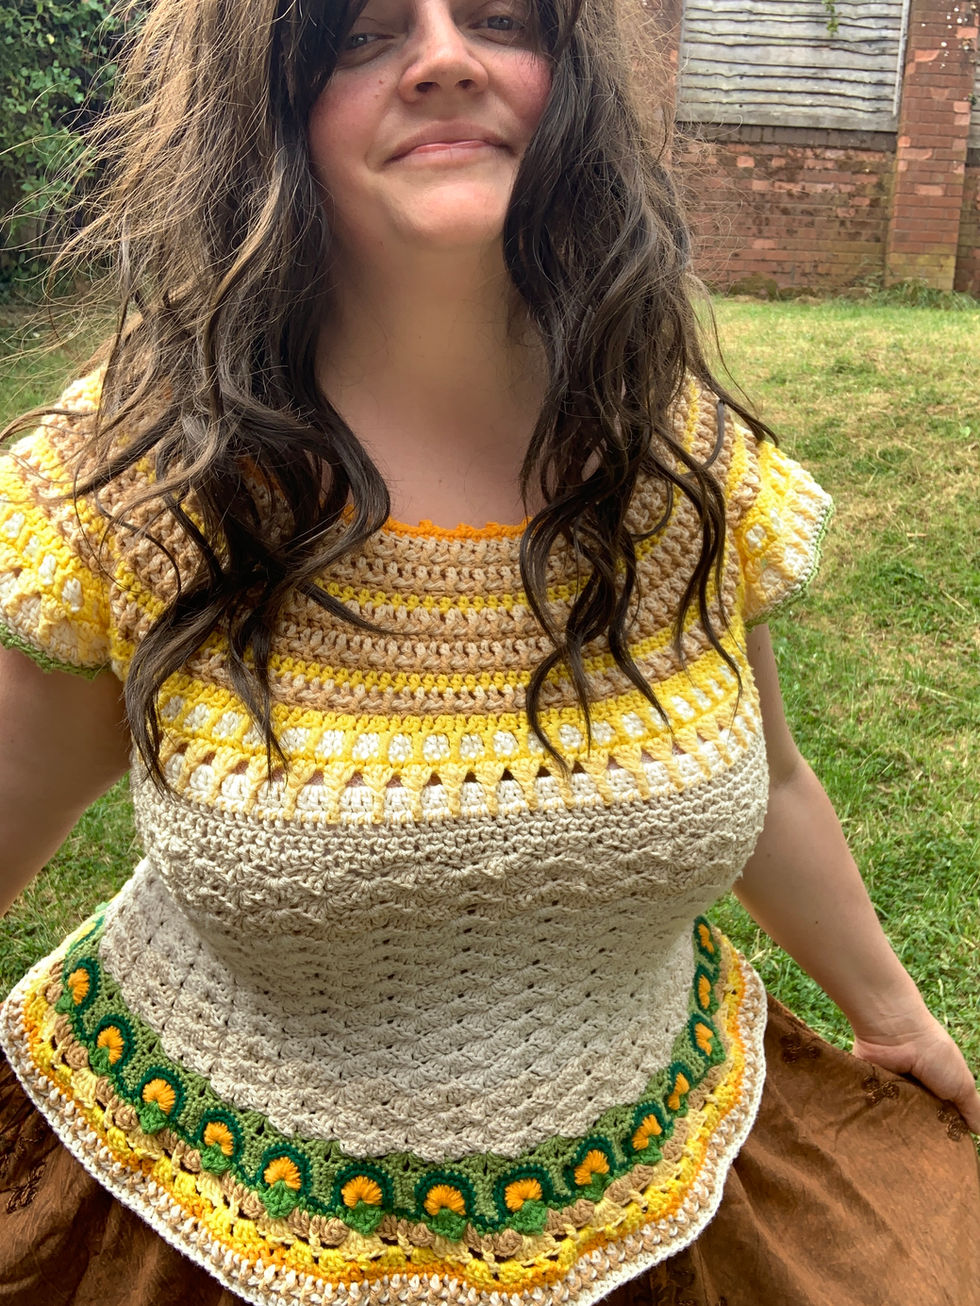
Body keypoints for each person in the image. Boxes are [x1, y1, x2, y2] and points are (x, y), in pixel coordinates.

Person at [0, 1, 977, 1304]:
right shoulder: (144, 482)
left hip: (666, 1194)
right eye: (361, 31)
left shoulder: (671, 457)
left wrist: (894, 1014)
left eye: (501, 17)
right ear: (266, 104)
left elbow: (775, 788)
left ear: (564, 81)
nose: (446, 55)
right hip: (195, 1223)